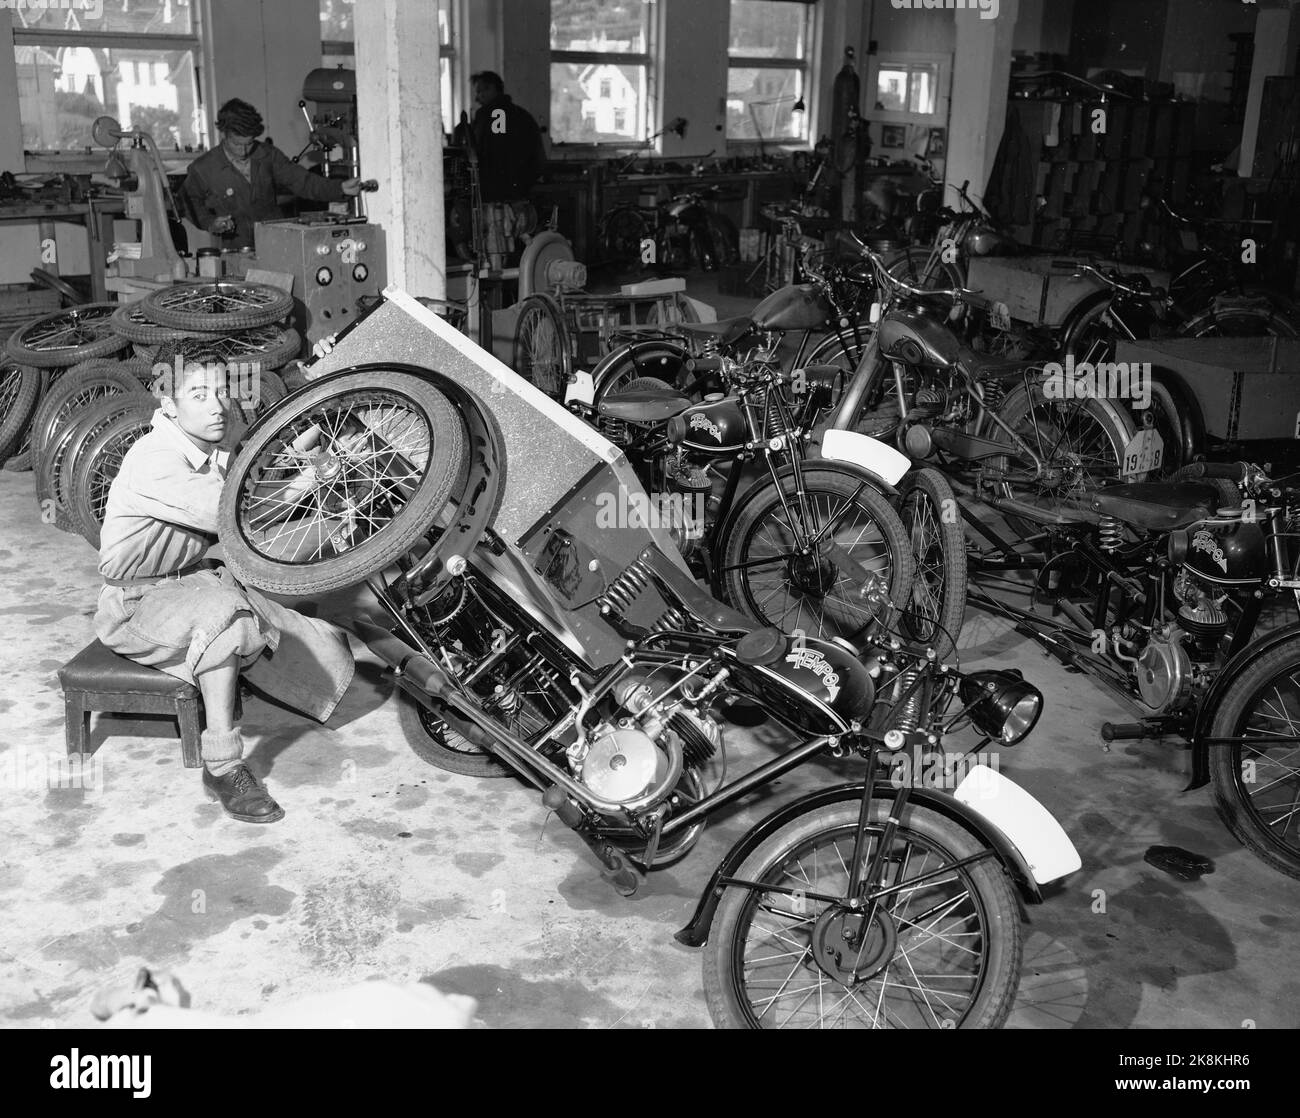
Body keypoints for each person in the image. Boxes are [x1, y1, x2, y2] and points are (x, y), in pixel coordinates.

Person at [94, 354, 355, 823]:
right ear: (168, 406)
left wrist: (310, 444)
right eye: (198, 395)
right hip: (135, 604)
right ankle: (223, 764)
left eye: (220, 391)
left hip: (190, 579)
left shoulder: (208, 443)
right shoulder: (156, 460)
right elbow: (241, 517)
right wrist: (309, 478)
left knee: (328, 648)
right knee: (229, 619)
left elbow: (256, 479)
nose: (217, 406)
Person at [182, 98, 367, 251]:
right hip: (233, 249)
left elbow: (302, 182)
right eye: (237, 144)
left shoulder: (267, 155)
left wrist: (339, 188)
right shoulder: (204, 168)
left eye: (249, 143)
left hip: (275, 243)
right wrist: (210, 222)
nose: (244, 151)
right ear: (224, 134)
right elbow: (188, 202)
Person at [469, 71, 545, 203]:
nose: (477, 98)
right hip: (519, 187)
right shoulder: (518, 114)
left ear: (492, 89)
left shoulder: (496, 114)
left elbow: (496, 150)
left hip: (500, 190)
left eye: (480, 91)